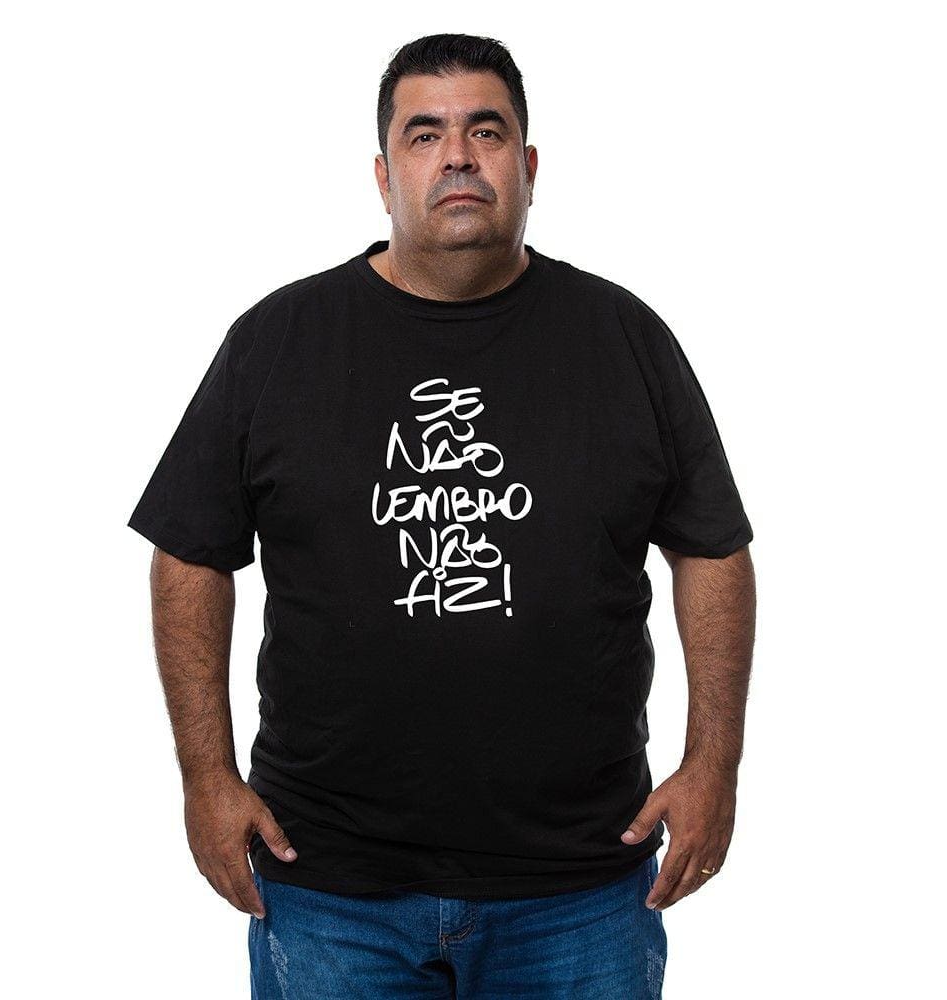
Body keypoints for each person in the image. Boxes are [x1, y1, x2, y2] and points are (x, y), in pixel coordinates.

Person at [127, 32, 756, 1000]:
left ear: (528, 166)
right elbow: (189, 552)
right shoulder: (279, 340)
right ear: (384, 175)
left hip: (578, 884)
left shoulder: (623, 337)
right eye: (424, 134)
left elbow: (712, 549)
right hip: (328, 882)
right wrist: (205, 777)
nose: (457, 156)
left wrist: (714, 763)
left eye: (485, 131)